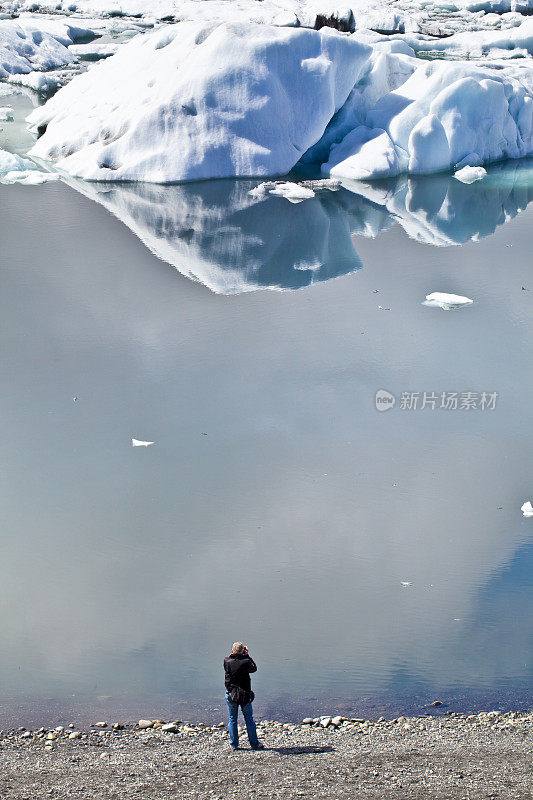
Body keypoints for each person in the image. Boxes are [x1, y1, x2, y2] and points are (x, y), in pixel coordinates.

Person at [224, 642, 263, 751]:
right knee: (249, 719)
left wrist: (240, 654)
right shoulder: (246, 662)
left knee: (232, 719)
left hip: (231, 693)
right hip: (245, 694)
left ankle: (234, 744)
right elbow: (254, 668)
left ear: (232, 651)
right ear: (243, 651)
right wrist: (247, 655)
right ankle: (254, 744)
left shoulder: (226, 661)